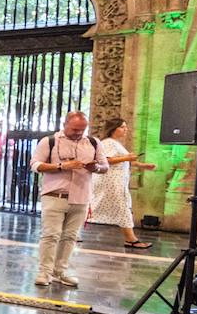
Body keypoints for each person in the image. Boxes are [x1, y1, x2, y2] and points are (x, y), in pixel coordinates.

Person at [31, 111, 108, 287]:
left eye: (82, 129)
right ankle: (44, 272)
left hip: (81, 197)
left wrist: (95, 167)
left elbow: (105, 166)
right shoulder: (49, 141)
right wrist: (62, 166)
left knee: (70, 237)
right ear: (64, 124)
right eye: (74, 129)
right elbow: (35, 165)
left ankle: (60, 271)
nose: (78, 133)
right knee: (51, 235)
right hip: (54, 196)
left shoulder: (94, 143)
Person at [88, 117, 156, 249]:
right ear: (114, 129)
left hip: (116, 181)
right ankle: (131, 239)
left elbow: (124, 160)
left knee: (100, 206)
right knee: (123, 207)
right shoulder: (108, 142)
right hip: (111, 182)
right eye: (122, 127)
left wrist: (143, 165)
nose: (126, 130)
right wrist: (128, 157)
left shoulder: (115, 143)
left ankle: (71, 230)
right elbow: (107, 159)